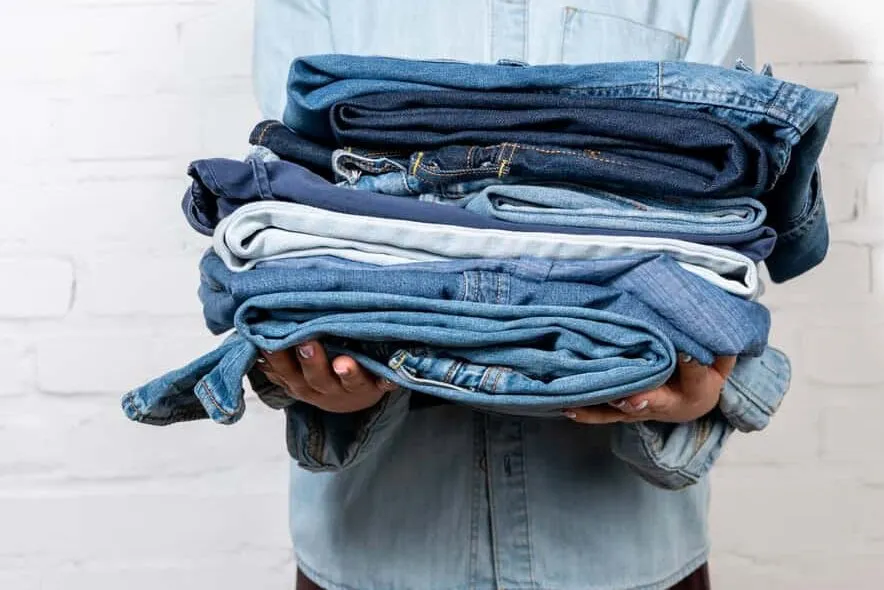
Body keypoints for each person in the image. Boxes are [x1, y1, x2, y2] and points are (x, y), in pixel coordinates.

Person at [250, 2, 758, 588]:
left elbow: (726, 226)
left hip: (624, 556)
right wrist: (309, 373)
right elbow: (290, 225)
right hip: (373, 553)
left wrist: (696, 388)